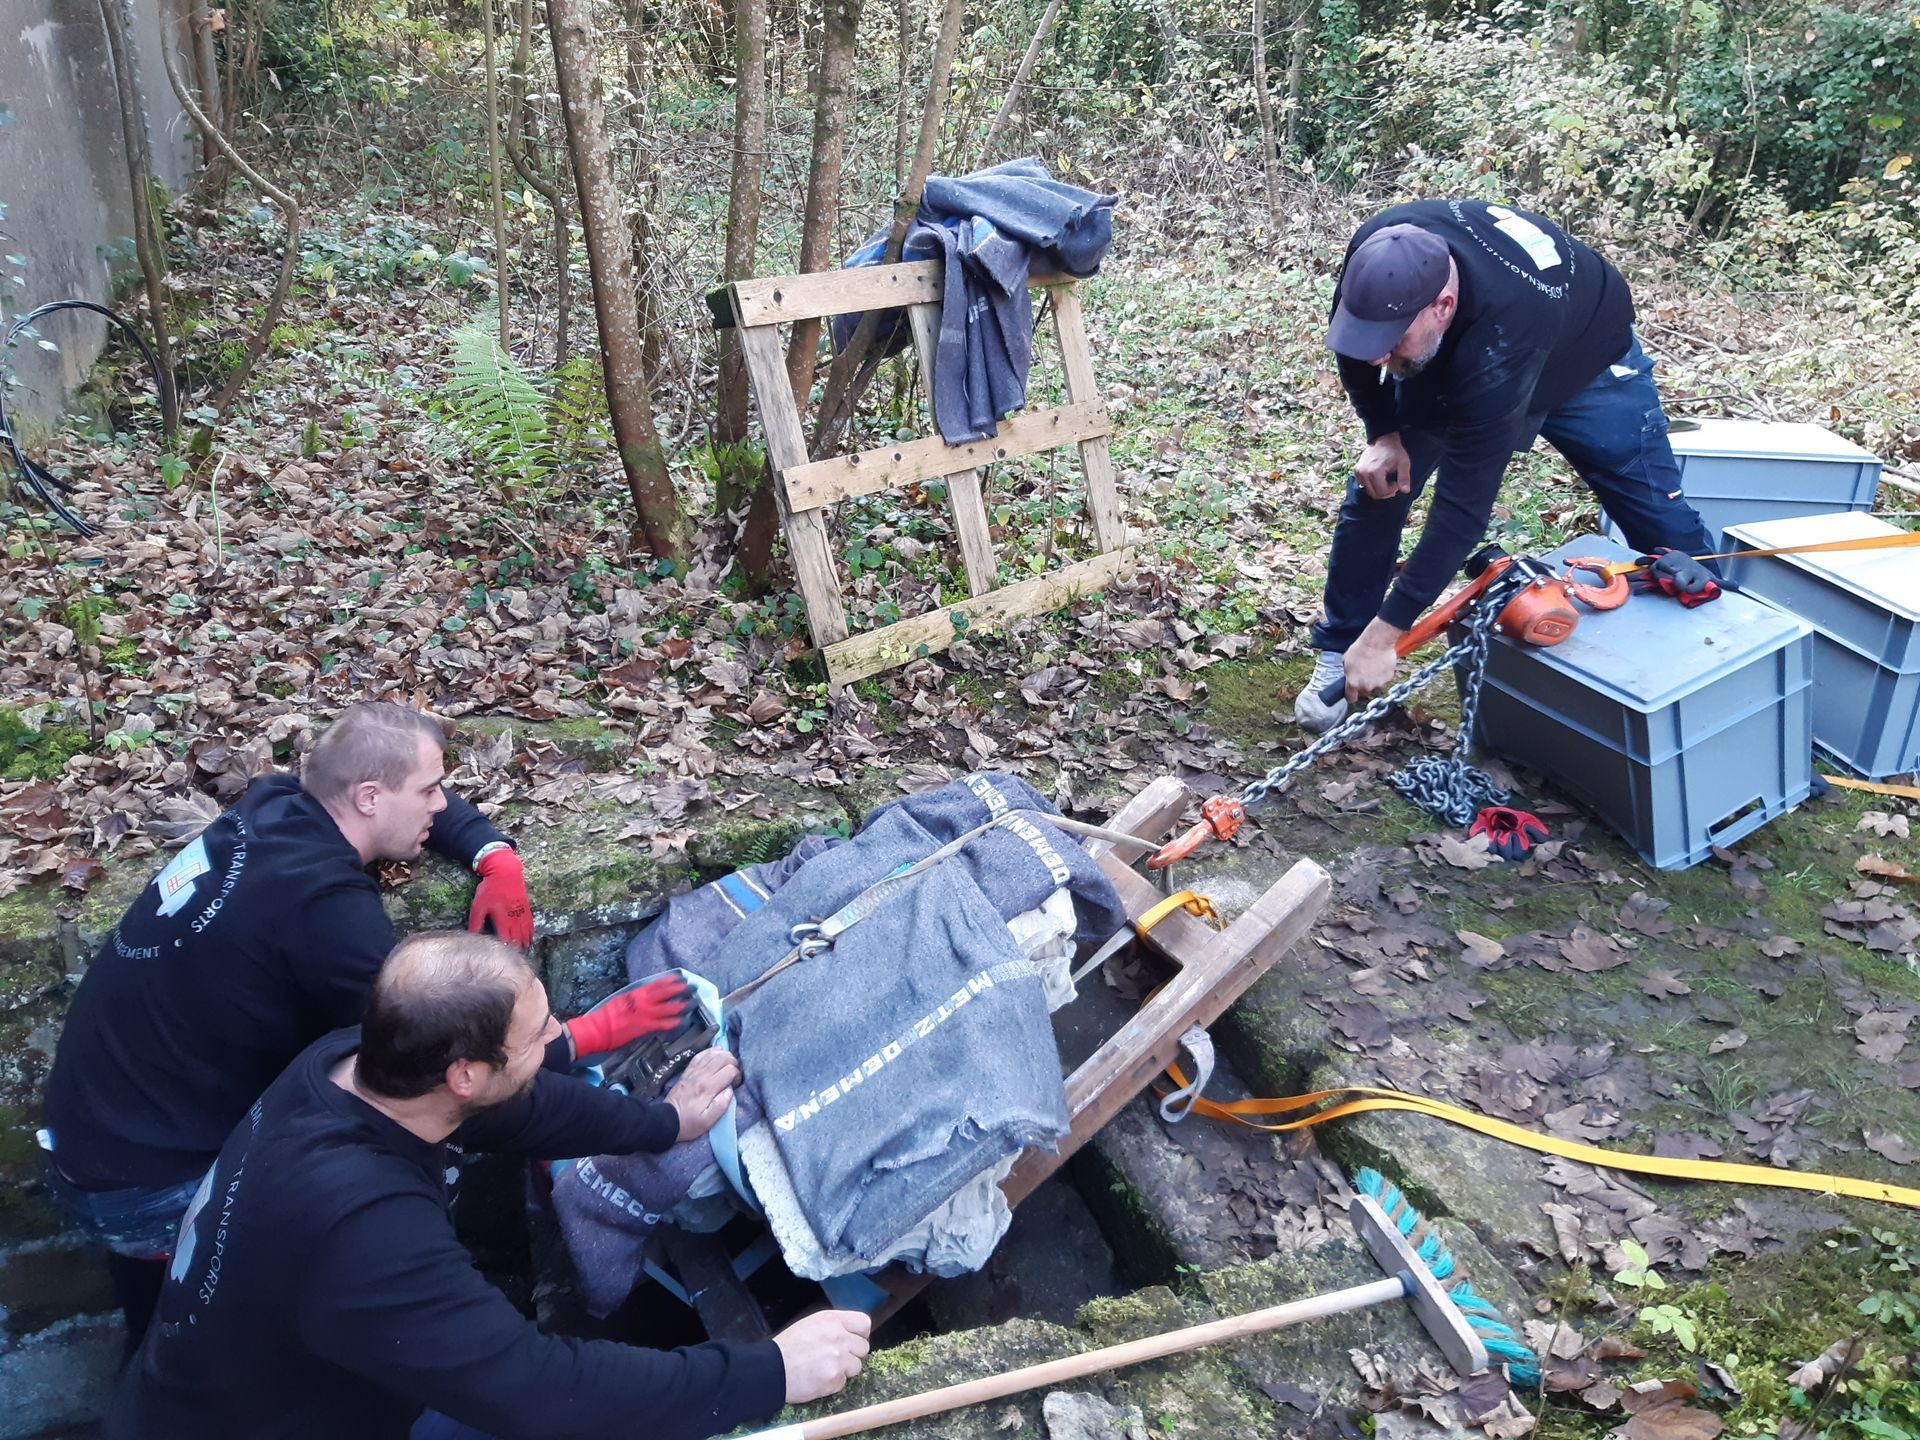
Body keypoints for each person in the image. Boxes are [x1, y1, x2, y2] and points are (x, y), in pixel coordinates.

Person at [39, 701, 688, 1351]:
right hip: (151, 1185)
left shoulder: (276, 808)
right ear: (369, 798)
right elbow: (443, 1088)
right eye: (431, 791)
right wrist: (627, 1090)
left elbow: (408, 793)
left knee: (159, 1341)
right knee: (227, 1344)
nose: (442, 805)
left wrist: (494, 854)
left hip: (102, 1129)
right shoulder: (331, 924)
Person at [108, 930, 872, 1439]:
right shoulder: (363, 1230)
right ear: (465, 1074)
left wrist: (662, 1123)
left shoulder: (347, 1064)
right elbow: (534, 1388)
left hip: (271, 1382)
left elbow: (518, 1111)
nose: (559, 1040)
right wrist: (767, 1372)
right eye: (540, 1037)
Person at [1294, 198, 1720, 731]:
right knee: (1381, 485)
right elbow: (1356, 346)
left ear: (1442, 306)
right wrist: (1384, 432)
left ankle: (1726, 648)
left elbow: (1462, 509)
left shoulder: (1505, 333)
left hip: (1586, 360)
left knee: (1659, 522)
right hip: (1472, 342)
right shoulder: (1382, 255)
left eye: (1390, 341)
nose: (1377, 356)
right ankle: (1339, 652)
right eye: (1370, 337)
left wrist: (1389, 636)